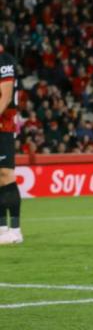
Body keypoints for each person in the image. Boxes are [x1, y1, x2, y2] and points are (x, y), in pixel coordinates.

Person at [0, 44, 23, 245]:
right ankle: (1, 229)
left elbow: (5, 97)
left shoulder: (4, 60)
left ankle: (15, 231)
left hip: (4, 125)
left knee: (6, 174)